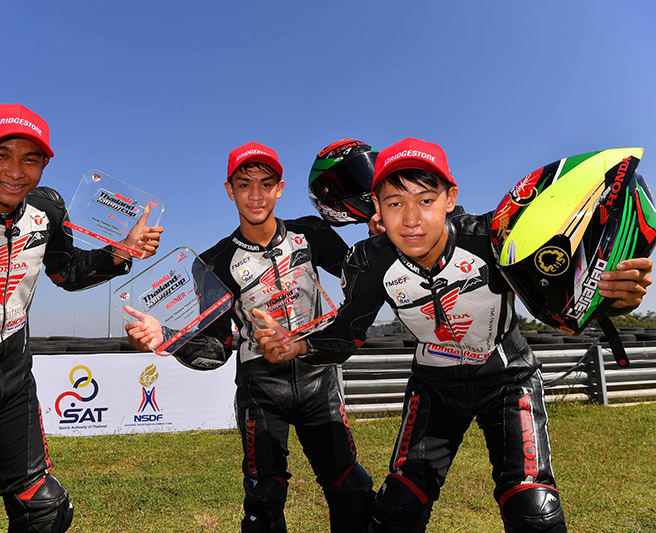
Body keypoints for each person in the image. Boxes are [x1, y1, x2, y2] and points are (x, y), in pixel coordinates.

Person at [254, 137, 653, 533]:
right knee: (397, 505)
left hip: (508, 381)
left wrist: (618, 298)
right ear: (377, 206)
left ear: (450, 198)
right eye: (395, 203)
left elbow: (565, 294)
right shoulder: (368, 262)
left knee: (533, 509)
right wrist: (296, 344)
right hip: (434, 389)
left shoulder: (493, 238)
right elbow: (346, 334)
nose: (411, 219)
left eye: (426, 200)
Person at [0, 103, 163, 533]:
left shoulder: (48, 209)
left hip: (15, 381)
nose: (15, 172)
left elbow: (66, 273)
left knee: (44, 508)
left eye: (30, 159)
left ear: (45, 164)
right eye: (1, 155)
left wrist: (120, 252)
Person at [125, 141, 374, 532]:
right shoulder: (213, 262)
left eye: (265, 184)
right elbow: (216, 348)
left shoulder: (312, 232)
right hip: (262, 390)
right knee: (264, 498)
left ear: (280, 189)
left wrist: (382, 241)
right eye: (244, 184)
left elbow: (362, 284)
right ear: (230, 190)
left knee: (351, 486)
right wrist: (167, 336)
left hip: (317, 381)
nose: (255, 194)